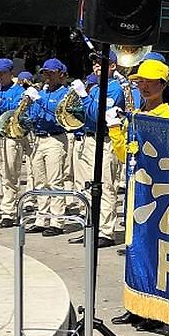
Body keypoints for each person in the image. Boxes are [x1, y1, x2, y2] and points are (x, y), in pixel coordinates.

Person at [108, 59, 169, 331]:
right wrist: (115, 130)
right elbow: (125, 155)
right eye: (140, 82)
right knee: (134, 249)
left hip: (157, 194)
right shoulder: (136, 115)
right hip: (137, 190)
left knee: (153, 252)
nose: (144, 86)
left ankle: (155, 310)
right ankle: (134, 304)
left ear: (163, 85)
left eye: (149, 82)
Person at [68, 48, 125, 248]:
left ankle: (105, 232)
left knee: (106, 185)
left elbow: (98, 114)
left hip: (106, 141)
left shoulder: (114, 88)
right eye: (95, 63)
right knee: (85, 187)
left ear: (113, 66)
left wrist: (83, 96)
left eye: (102, 63)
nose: (97, 66)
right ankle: (89, 228)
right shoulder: (94, 88)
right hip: (87, 139)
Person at [23, 59, 72, 236]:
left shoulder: (65, 93)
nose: (47, 76)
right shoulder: (41, 93)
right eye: (45, 73)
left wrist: (39, 101)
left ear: (60, 74)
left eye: (51, 73)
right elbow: (34, 115)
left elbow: (59, 114)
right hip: (39, 138)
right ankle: (41, 217)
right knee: (40, 181)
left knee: (55, 181)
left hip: (55, 138)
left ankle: (57, 220)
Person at [0, 57, 24, 227]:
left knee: (9, 174)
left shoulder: (18, 90)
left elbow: (16, 109)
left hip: (9, 137)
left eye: (2, 73)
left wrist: (1, 102)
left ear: (10, 73)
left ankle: (8, 211)